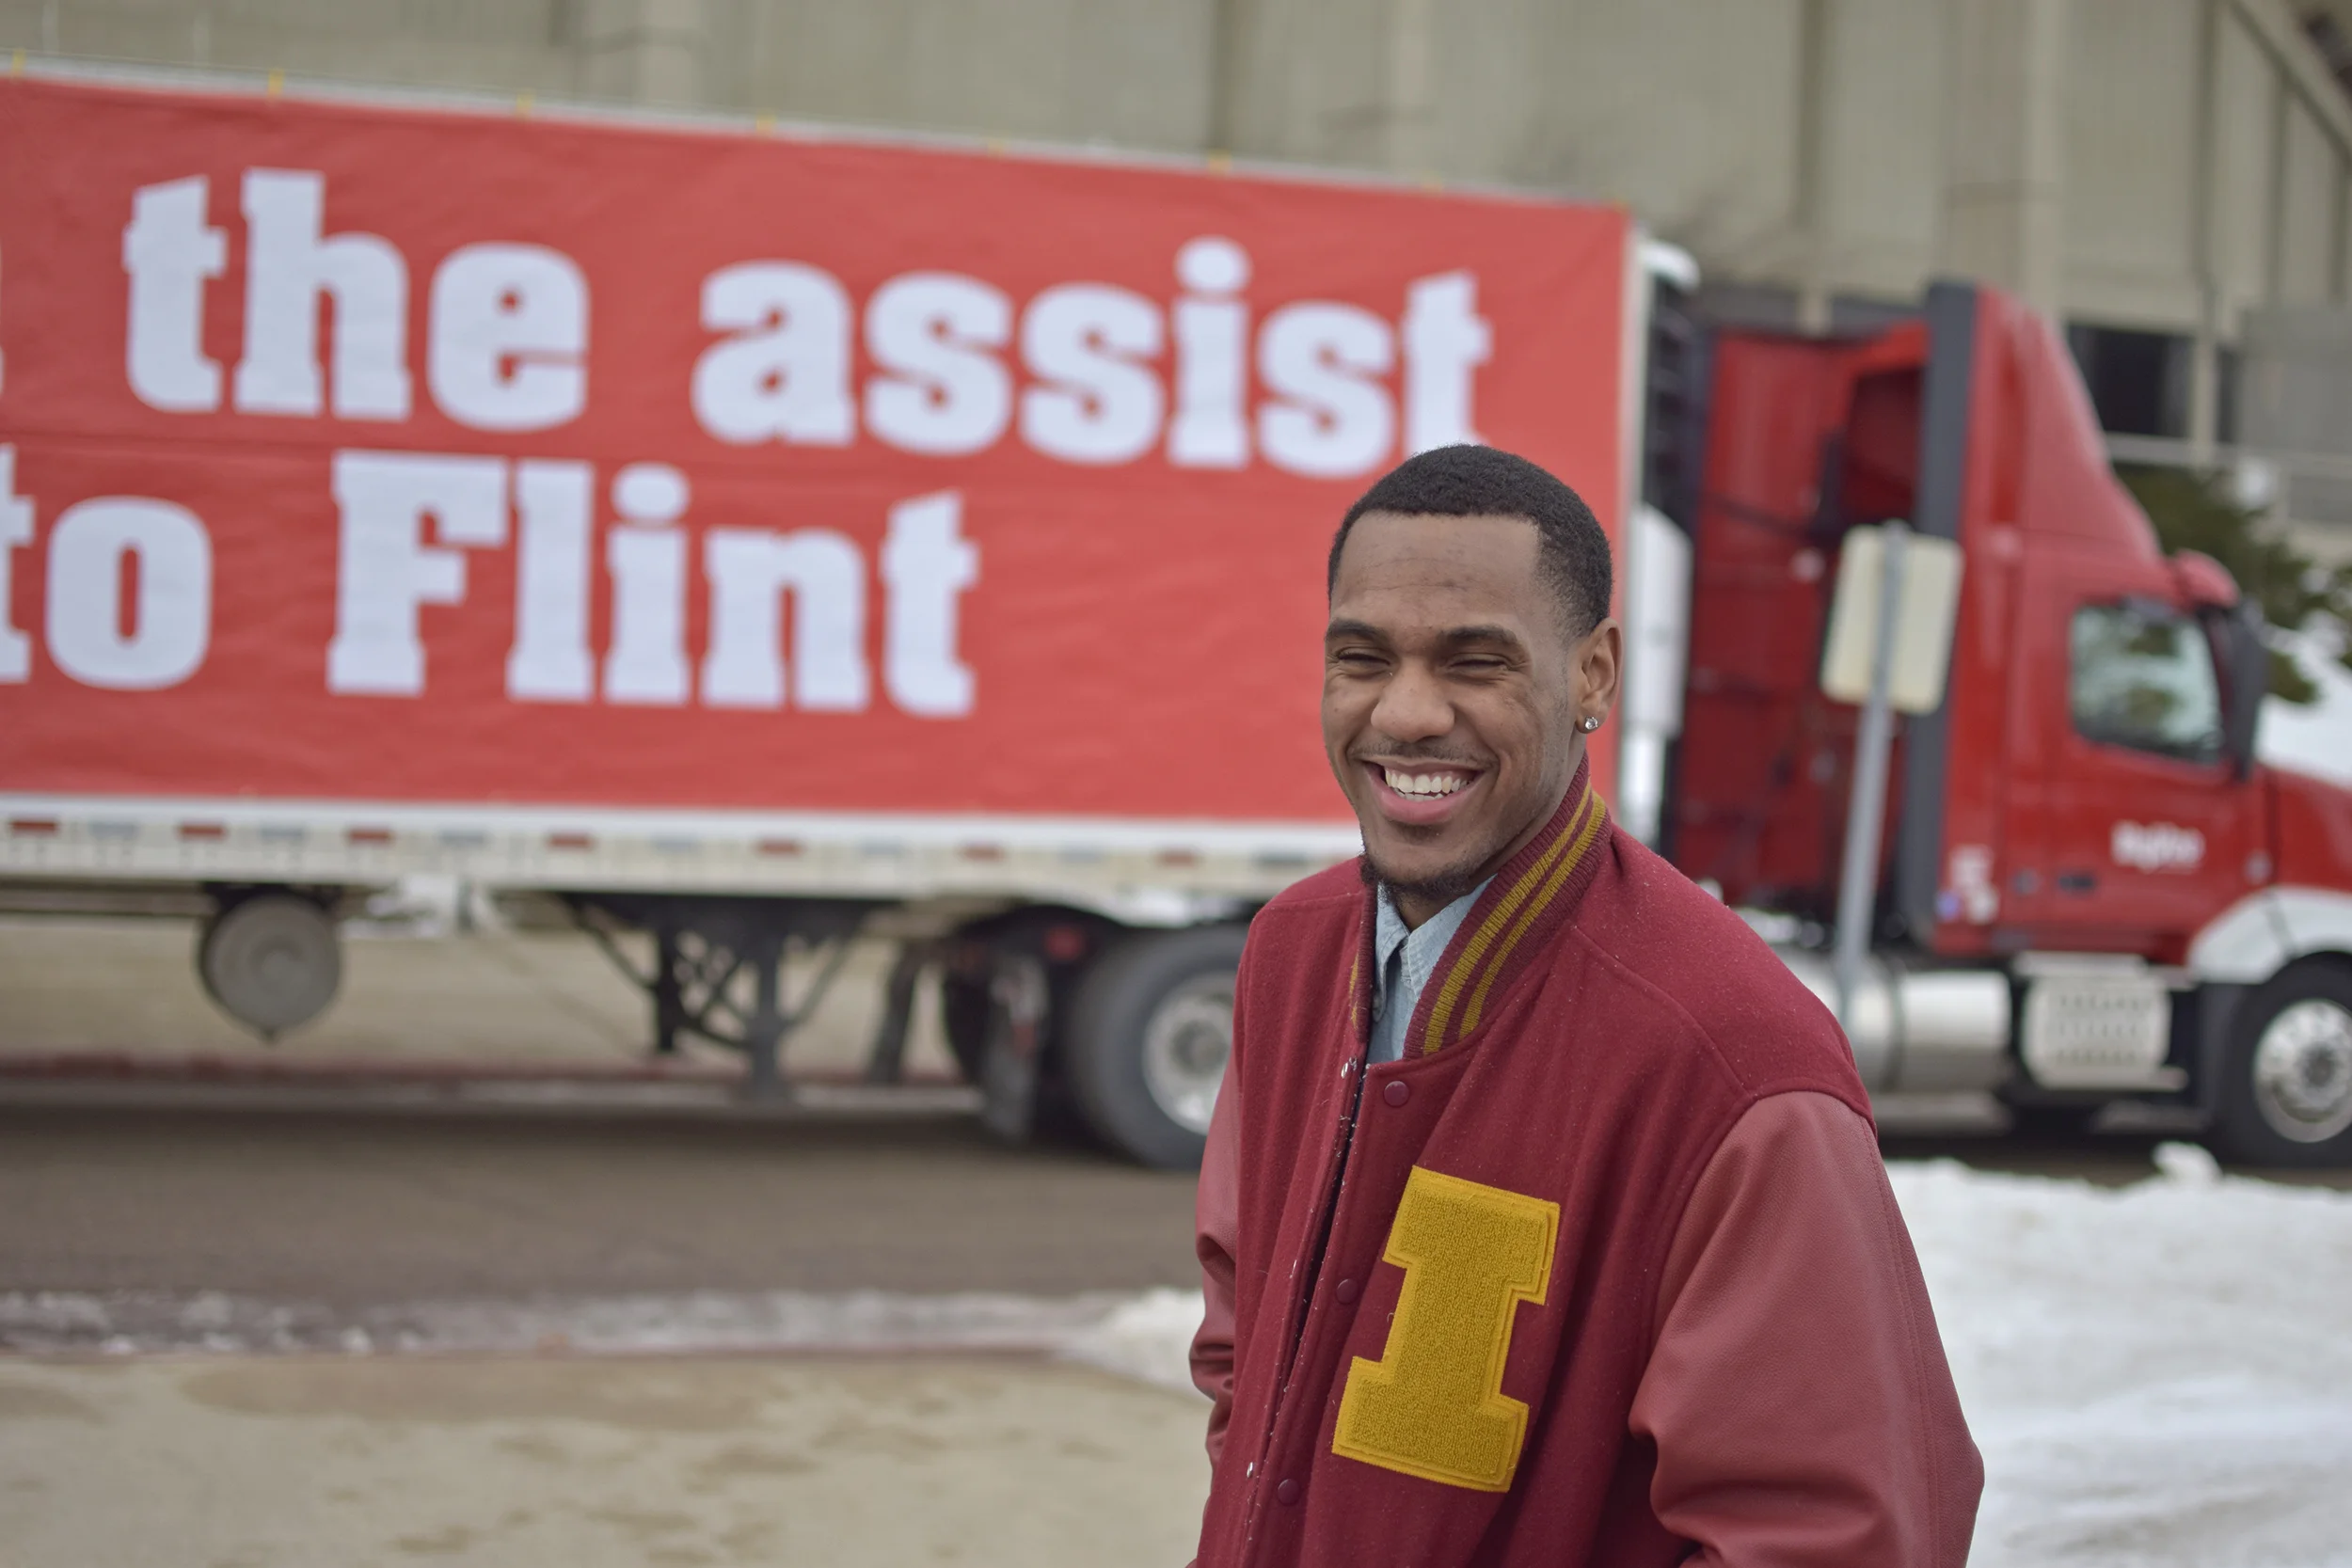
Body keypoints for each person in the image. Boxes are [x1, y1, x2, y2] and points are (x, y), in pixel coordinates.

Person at [1189, 444, 1981, 1567]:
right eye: (1362, 656)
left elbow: (1839, 1538)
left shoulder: (1734, 1062)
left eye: (1475, 662)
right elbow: (1242, 1343)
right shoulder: (1294, 953)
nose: (1407, 713)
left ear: (1595, 675)